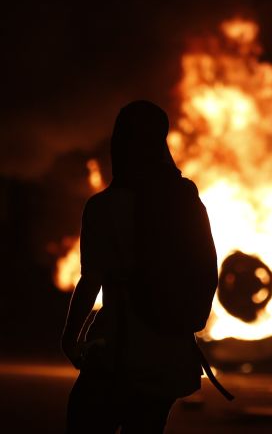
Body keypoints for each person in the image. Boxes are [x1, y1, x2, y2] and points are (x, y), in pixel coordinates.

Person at [61, 100, 218, 433]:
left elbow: (91, 281)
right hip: (170, 355)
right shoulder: (186, 200)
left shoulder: (104, 207)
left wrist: (70, 337)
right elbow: (207, 269)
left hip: (120, 352)